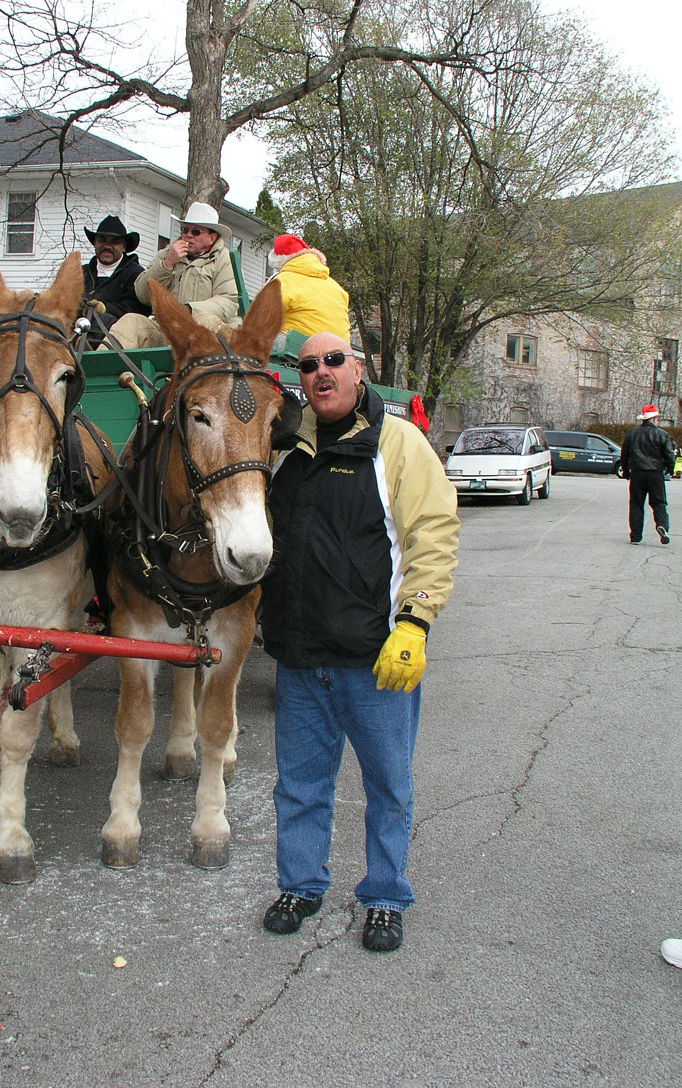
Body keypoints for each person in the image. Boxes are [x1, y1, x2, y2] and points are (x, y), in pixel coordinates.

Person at [259, 331, 460, 953]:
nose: (321, 372)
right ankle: (301, 884)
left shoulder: (397, 443)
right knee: (299, 784)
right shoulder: (287, 448)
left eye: (333, 361)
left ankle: (384, 895)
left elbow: (433, 533)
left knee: (388, 785)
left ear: (358, 370)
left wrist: (415, 623)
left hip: (376, 660)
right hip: (299, 658)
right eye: (309, 365)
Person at [107, 201, 238, 348]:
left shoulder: (224, 259)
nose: (188, 236)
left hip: (209, 335)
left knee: (203, 321)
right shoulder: (167, 254)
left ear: (212, 238)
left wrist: (189, 310)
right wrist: (167, 264)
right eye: (185, 230)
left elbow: (228, 301)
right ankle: (95, 366)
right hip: (167, 330)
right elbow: (142, 295)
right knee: (131, 321)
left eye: (195, 232)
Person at [80, 215, 150, 348]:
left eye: (114, 242)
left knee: (105, 319)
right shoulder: (80, 273)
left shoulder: (135, 274)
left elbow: (136, 311)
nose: (107, 246)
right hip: (76, 328)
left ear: (124, 247)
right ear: (94, 243)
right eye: (102, 240)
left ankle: (84, 349)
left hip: (114, 339)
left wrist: (104, 308)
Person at [267, 233, 351, 343]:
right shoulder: (335, 286)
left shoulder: (282, 281)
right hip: (339, 349)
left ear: (278, 262)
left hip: (302, 347)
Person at [620, 404, 675, 545]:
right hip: (655, 474)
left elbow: (624, 455)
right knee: (659, 503)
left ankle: (636, 536)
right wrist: (669, 469)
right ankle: (662, 525)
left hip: (637, 473)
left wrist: (626, 472)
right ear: (654, 419)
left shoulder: (632, 434)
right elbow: (669, 455)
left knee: (636, 504)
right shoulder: (662, 434)